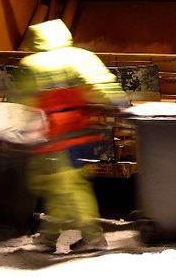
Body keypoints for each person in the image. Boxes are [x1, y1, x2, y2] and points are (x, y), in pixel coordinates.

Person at [11, 19, 127, 253]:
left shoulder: (34, 64)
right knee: (63, 186)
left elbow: (23, 100)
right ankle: (48, 238)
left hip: (54, 136)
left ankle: (92, 239)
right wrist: (120, 104)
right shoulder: (81, 57)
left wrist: (18, 129)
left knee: (67, 188)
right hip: (78, 133)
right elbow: (103, 84)